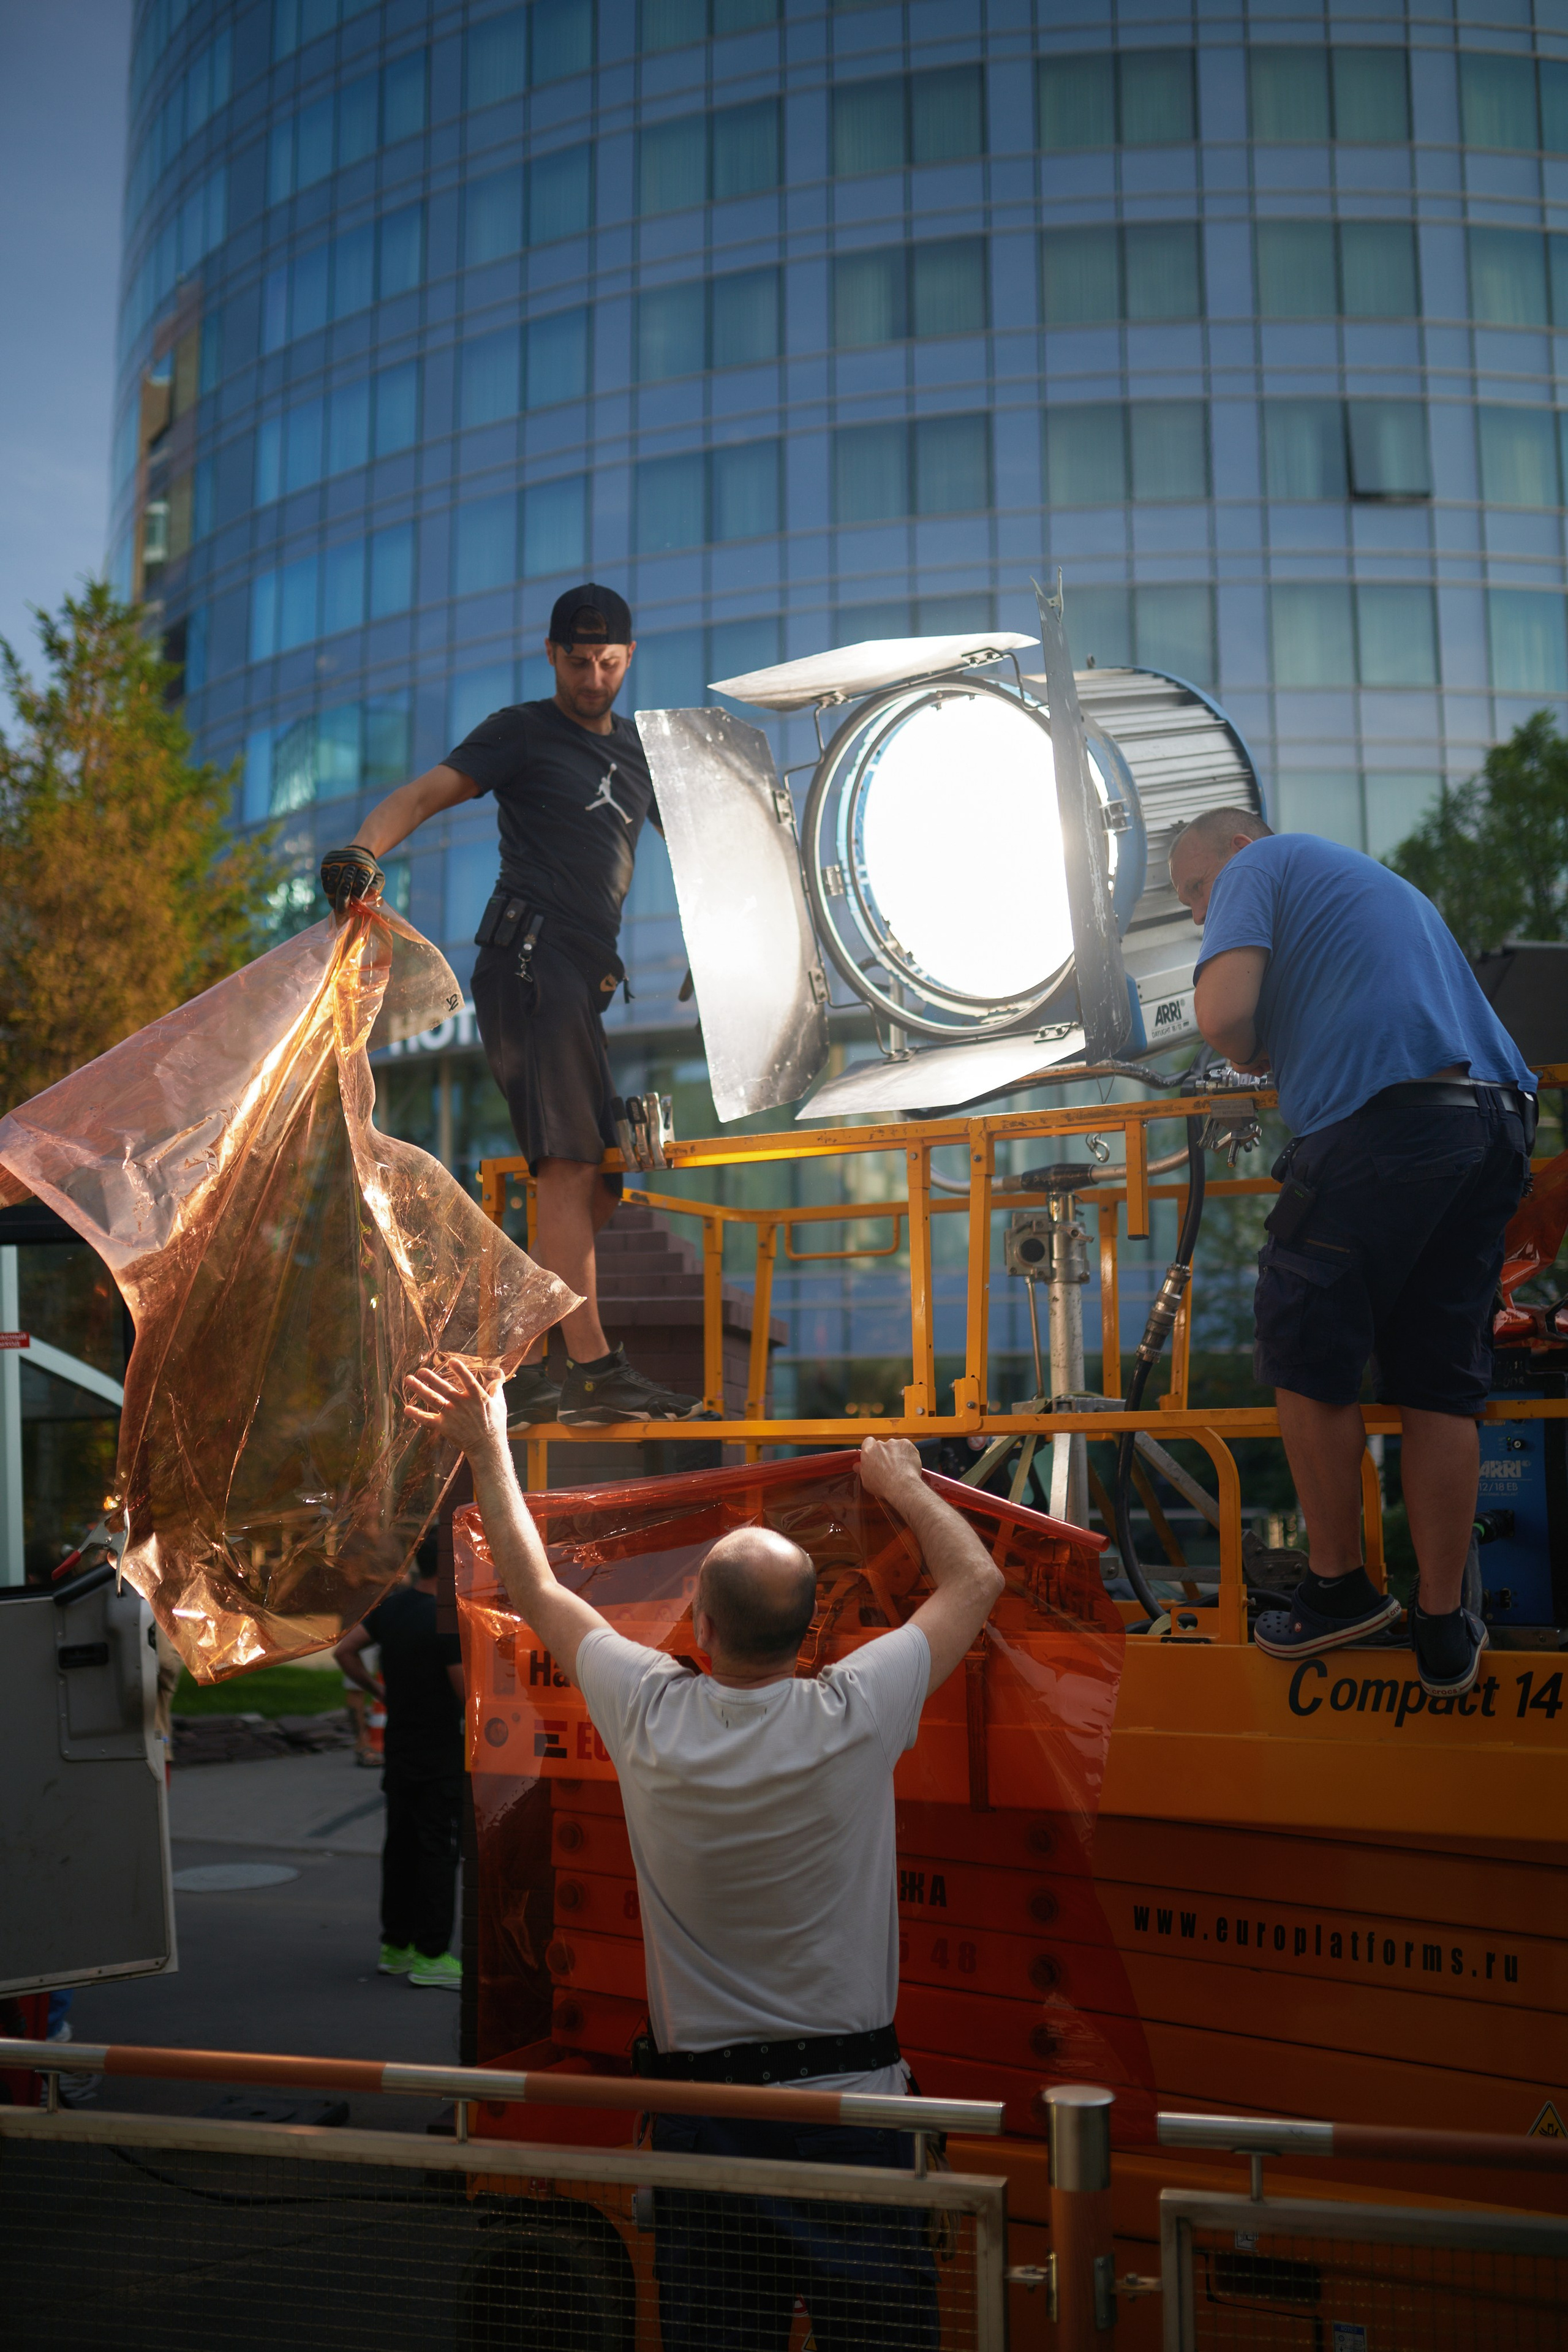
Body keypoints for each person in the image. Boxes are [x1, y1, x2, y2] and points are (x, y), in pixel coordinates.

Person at [403, 1358, 1006, 2352]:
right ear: (813, 1630)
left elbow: (534, 1584)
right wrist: (905, 1485)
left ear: (703, 1627)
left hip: (707, 2120)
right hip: (856, 2119)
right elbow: (978, 1579)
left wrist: (487, 1443)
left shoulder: (647, 1713)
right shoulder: (856, 1711)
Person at [1169, 807, 1536, 1698]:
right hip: (1492, 1124)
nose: (1198, 915)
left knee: (1302, 1337)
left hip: (1389, 1125)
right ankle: (1444, 1625)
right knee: (1439, 1381)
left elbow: (1223, 1015)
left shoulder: (1265, 865)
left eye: (1196, 890)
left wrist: (1240, 1036)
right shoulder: (1370, 889)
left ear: (1238, 851)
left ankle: (1338, 1588)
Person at [318, 583, 704, 1430]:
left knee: (598, 1182)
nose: (594, 677)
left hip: (582, 978)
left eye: (608, 663)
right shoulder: (523, 731)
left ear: (629, 658)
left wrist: (728, 949)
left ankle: (525, 1367)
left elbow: (708, 847)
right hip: (530, 963)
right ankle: (595, 1371)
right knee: (565, 1168)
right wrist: (360, 851)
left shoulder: (640, 752)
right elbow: (424, 794)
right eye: (579, 660)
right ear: (552, 654)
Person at [334, 1534, 465, 1988]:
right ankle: (432, 1956)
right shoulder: (446, 1622)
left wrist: (380, 1690)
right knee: (436, 1853)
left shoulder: (393, 1609)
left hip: (401, 1749)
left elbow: (344, 1651)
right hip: (440, 1753)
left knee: (401, 1849)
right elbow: (463, 1689)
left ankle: (396, 1948)